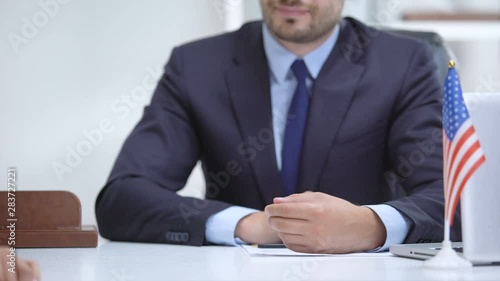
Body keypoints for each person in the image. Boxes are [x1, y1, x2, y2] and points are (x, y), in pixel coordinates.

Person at [95, 0, 461, 253]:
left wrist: (370, 226)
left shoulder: (404, 63)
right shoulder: (197, 65)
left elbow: (454, 197)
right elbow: (122, 200)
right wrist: (250, 225)